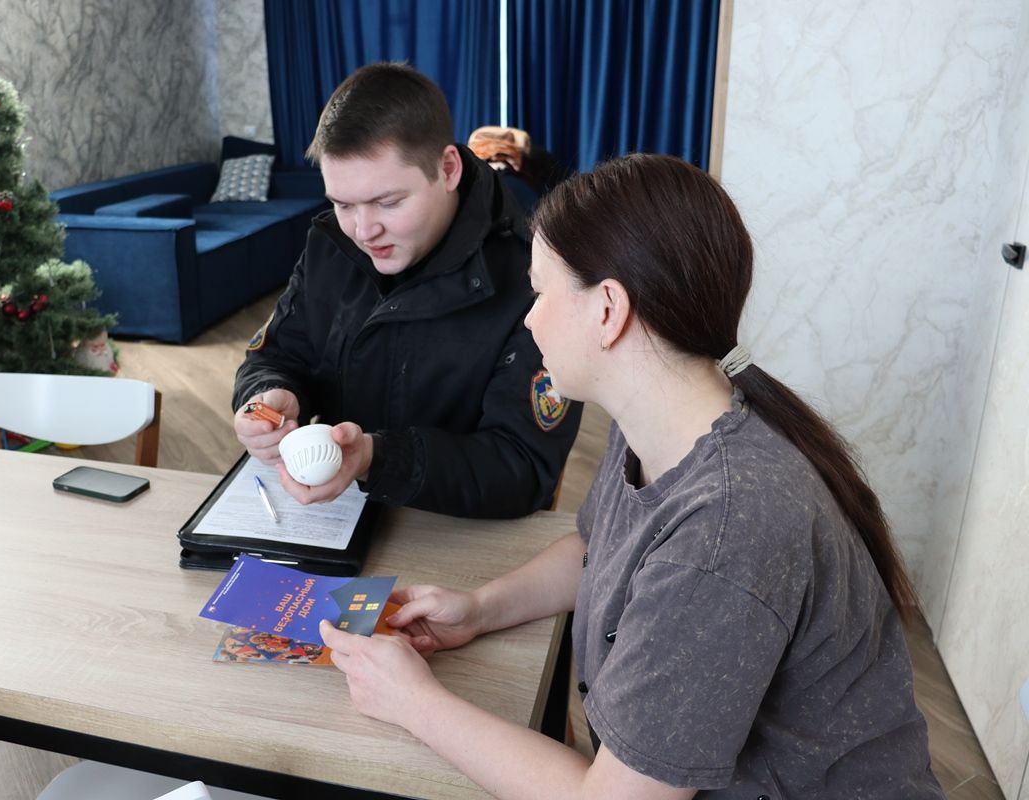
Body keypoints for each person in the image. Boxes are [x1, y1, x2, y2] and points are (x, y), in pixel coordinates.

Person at [318, 154, 946, 799]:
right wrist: (481, 609)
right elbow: (598, 546)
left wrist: (413, 701)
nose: (529, 319)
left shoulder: (727, 529)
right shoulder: (668, 417)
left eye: (540, 293)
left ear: (608, 309)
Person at [232, 63, 580, 517]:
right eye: (343, 204)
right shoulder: (330, 246)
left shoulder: (534, 280)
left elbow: (523, 469)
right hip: (335, 517)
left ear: (448, 169)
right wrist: (266, 398)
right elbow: (275, 356)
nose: (363, 231)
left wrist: (377, 458)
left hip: (456, 535)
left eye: (388, 202)